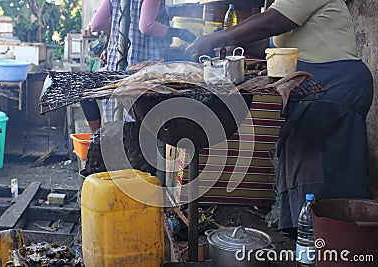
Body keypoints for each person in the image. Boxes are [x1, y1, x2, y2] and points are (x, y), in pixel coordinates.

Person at [187, 0, 374, 235]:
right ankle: (312, 239)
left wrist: (219, 37)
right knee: (306, 163)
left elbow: (270, 23)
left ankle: (331, 240)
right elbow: (272, 44)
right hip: (314, 85)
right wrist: (228, 42)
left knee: (320, 172)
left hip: (335, 86)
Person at [80, 0, 196, 132]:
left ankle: (97, 136)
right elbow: (146, 26)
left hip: (116, 63)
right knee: (138, 121)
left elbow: (96, 24)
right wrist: (178, 32)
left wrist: (120, 23)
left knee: (114, 116)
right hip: (145, 68)